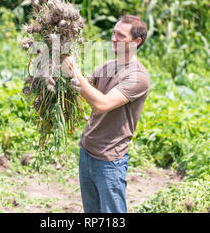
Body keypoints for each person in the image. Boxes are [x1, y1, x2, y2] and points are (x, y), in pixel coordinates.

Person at [62, 14, 150, 213]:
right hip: (87, 152)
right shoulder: (107, 67)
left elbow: (102, 104)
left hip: (109, 160)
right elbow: (85, 91)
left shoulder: (138, 76)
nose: (113, 38)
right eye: (113, 32)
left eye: (120, 35)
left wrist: (73, 69)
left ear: (136, 42)